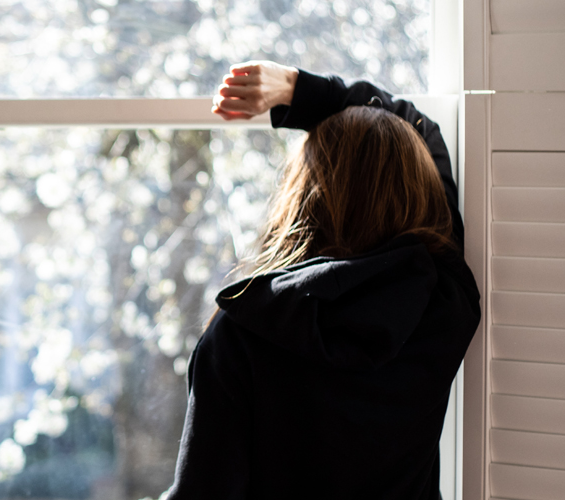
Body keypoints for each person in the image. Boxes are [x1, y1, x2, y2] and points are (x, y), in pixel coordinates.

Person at [161, 61, 481, 499]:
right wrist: (300, 89)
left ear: (303, 194)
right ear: (420, 189)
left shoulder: (241, 335)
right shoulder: (445, 305)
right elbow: (417, 125)